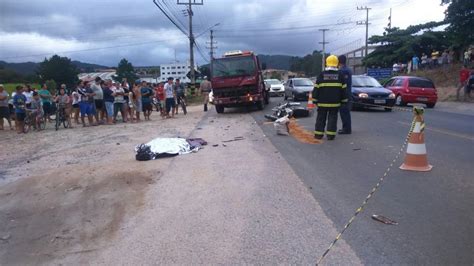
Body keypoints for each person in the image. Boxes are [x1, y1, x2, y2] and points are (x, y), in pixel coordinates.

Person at [313, 55, 348, 141]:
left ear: (327, 63)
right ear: (336, 63)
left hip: (322, 102)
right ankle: (330, 135)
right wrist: (344, 101)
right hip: (335, 103)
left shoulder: (322, 75)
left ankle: (318, 135)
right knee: (333, 118)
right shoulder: (340, 75)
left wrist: (314, 99)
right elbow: (344, 90)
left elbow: (316, 88)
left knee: (321, 118)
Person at [338, 55, 352, 135]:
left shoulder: (343, 71)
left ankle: (346, 129)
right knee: (345, 112)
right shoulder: (348, 69)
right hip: (347, 93)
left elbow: (343, 83)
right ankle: (346, 128)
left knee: (344, 112)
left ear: (339, 62)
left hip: (345, 94)